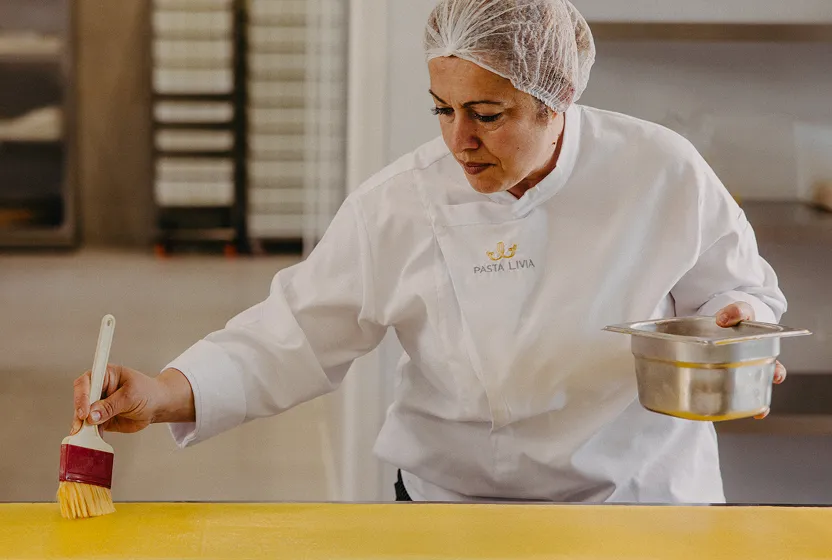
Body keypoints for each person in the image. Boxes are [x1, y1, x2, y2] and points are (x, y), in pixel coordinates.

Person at [72, 0, 788, 503]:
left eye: (488, 114)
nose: (458, 142)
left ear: (557, 97)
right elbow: (292, 334)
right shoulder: (402, 201)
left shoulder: (660, 170)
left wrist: (739, 328)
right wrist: (163, 393)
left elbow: (733, 291)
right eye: (443, 109)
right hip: (456, 510)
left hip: (636, 505)